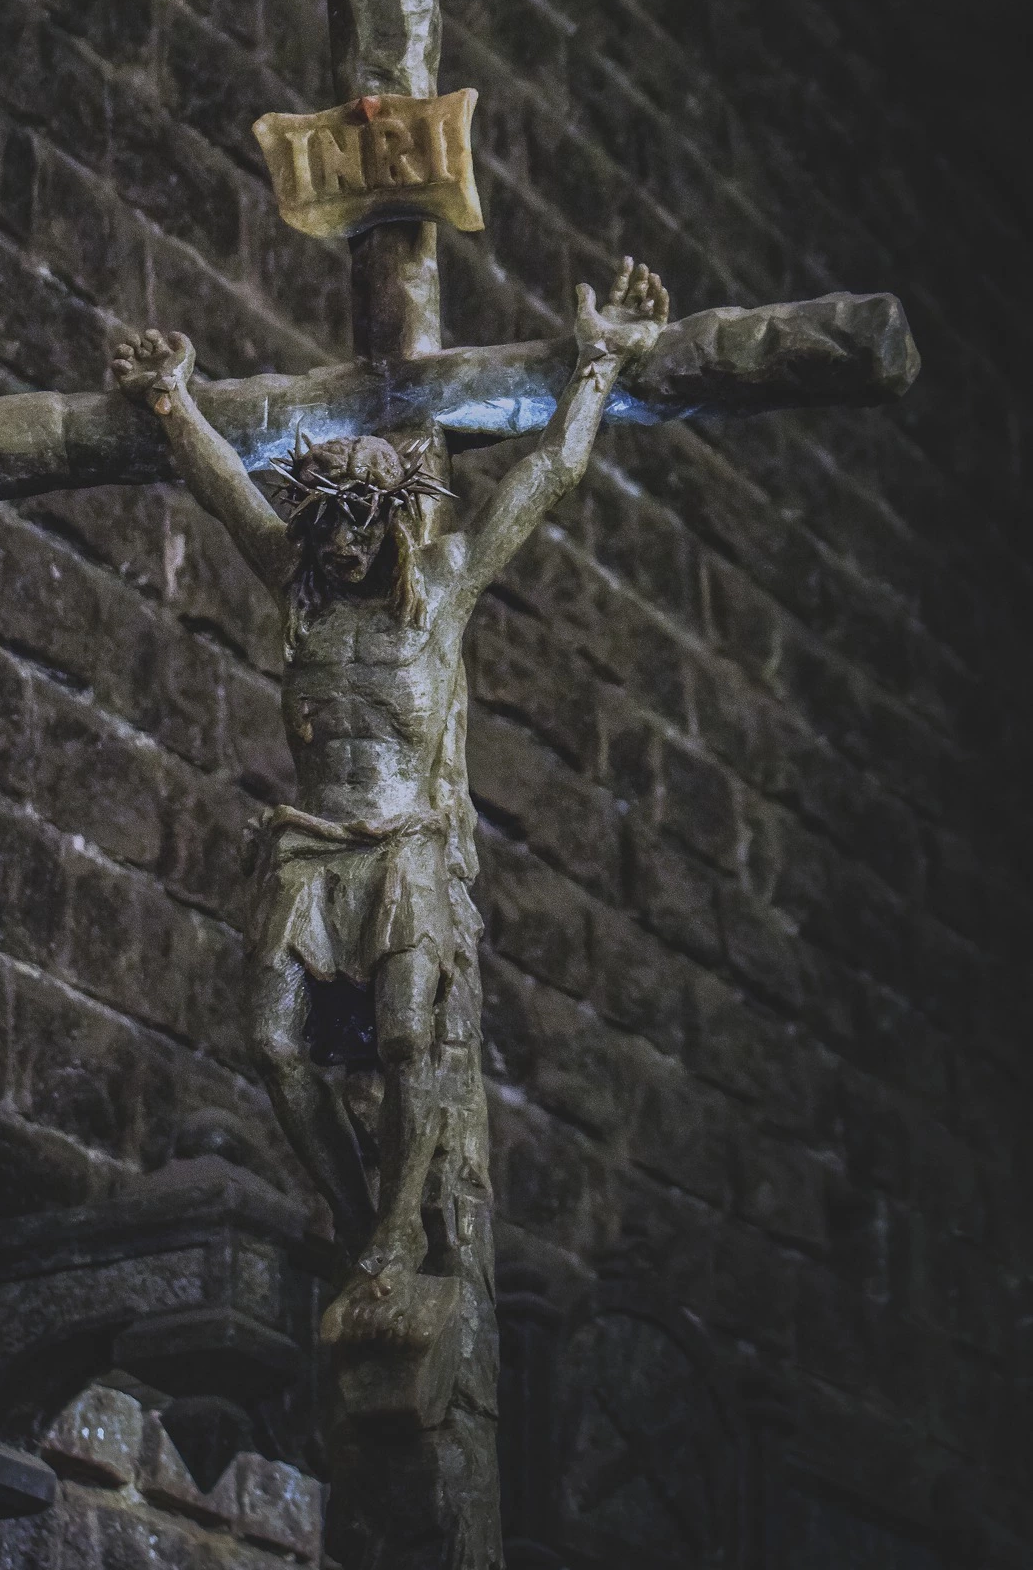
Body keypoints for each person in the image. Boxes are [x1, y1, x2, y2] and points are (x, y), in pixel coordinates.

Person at [115, 258, 669, 1324]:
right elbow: (226, 488)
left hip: (405, 844)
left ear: (399, 523)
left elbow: (544, 476)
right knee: (276, 1049)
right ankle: (361, 1208)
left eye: (372, 523)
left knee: (414, 1039)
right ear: (318, 527)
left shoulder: (440, 595)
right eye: (337, 525)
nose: (355, 542)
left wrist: (600, 361)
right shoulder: (298, 588)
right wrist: (170, 396)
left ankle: (399, 1227)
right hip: (312, 848)